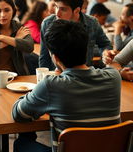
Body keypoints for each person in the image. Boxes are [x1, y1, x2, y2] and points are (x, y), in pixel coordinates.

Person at [13, 20, 121, 152]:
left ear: (55, 58)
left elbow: (19, 114)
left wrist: (35, 95)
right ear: (86, 49)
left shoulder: (51, 85)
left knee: (22, 144)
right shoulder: (114, 78)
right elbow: (115, 67)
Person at [39, 0, 112, 70]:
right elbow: (44, 57)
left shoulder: (92, 23)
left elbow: (105, 44)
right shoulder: (47, 23)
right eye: (56, 7)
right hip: (57, 76)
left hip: (84, 75)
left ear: (77, 11)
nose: (57, 13)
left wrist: (105, 52)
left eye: (63, 9)